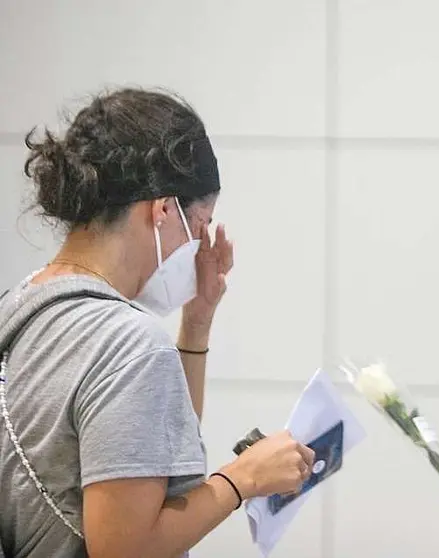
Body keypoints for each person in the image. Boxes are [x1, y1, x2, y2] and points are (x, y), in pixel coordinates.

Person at [0, 88, 315, 558]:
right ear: (164, 210)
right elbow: (125, 548)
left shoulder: (21, 305)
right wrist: (244, 477)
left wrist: (197, 323)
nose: (201, 244)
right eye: (201, 222)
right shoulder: (127, 341)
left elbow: (145, 458)